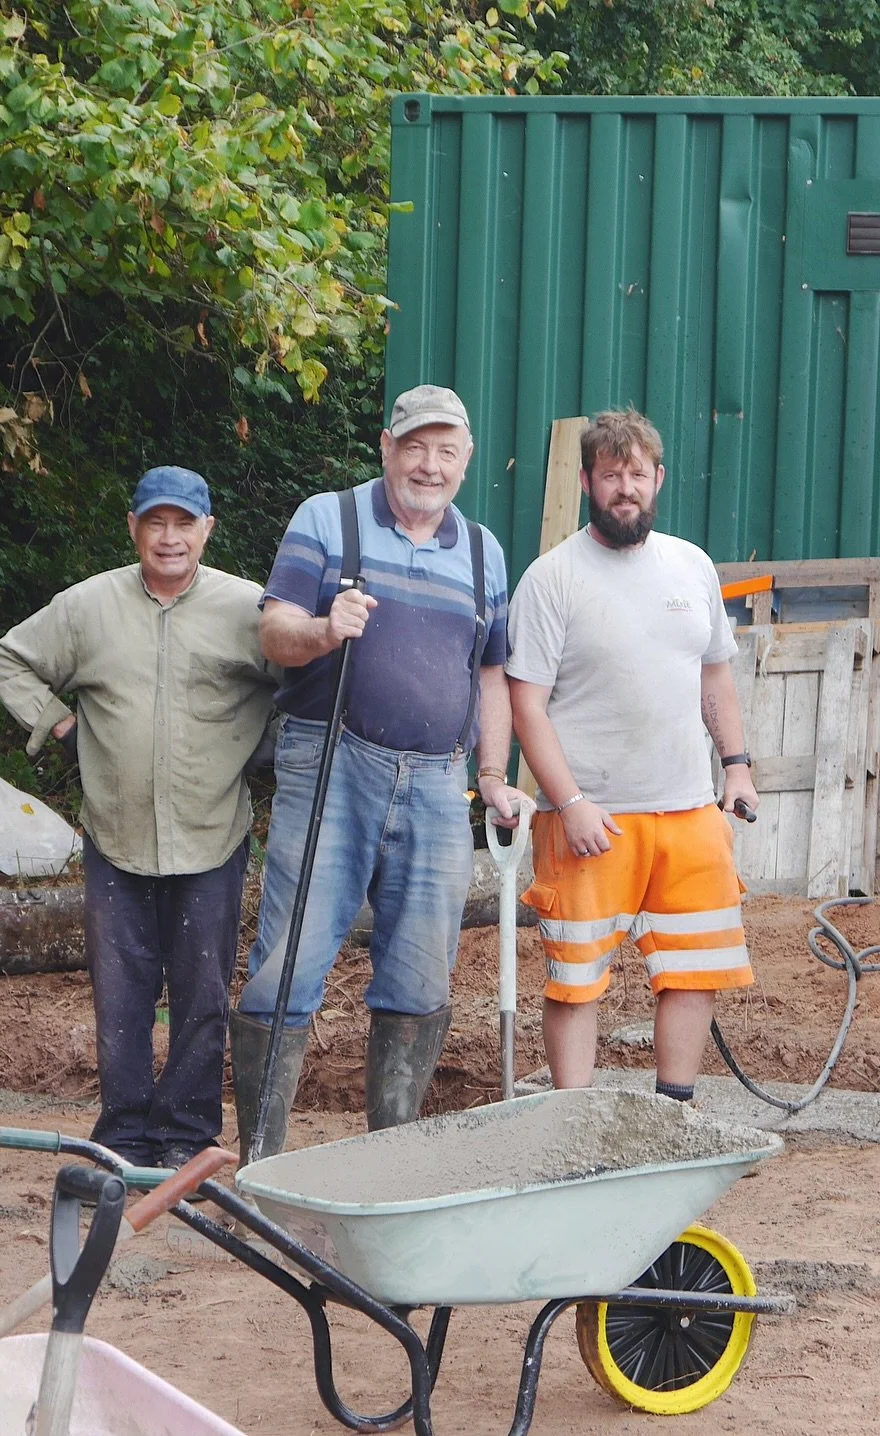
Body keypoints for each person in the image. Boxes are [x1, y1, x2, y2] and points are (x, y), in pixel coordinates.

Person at [232, 384, 526, 1158]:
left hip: (438, 782)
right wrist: (326, 629)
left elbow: (492, 675)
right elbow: (273, 631)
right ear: (387, 447)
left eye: (446, 451)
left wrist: (492, 774)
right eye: (415, 447)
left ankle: (387, 1164)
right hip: (333, 764)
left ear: (466, 462)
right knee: (286, 969)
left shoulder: (484, 550)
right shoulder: (330, 519)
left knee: (422, 978)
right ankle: (260, 1166)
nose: (429, 466)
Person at [0, 466, 277, 1167]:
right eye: (156, 522)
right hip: (115, 834)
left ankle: (184, 1136)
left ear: (208, 530)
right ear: (133, 528)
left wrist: (263, 750)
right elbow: (9, 660)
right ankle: (122, 1135)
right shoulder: (88, 607)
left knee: (202, 991)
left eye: (185, 524)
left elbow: (298, 683)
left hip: (212, 832)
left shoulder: (250, 608)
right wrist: (58, 725)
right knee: (121, 991)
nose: (169, 538)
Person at [505, 408, 758, 1103]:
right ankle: (574, 1121)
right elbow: (527, 704)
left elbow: (715, 676)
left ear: (659, 480)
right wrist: (573, 802)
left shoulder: (691, 566)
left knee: (694, 972)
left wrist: (736, 765)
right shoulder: (552, 578)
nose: (626, 488)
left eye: (637, 475)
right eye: (611, 475)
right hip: (590, 821)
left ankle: (671, 1114)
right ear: (587, 481)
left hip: (688, 813)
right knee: (577, 977)